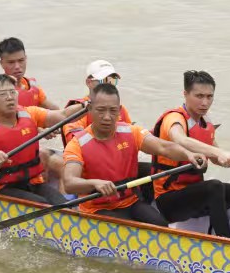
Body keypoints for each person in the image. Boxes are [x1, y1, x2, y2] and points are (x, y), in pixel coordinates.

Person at [60, 82, 199, 225]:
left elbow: (164, 147)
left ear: (119, 110)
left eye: (113, 110)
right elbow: (69, 183)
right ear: (89, 109)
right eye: (101, 110)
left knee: (160, 224)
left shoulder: (131, 132)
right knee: (130, 227)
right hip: (96, 209)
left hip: (130, 202)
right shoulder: (77, 144)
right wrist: (94, 183)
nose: (107, 117)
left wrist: (189, 155)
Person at [151, 71, 230, 238]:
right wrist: (220, 152)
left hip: (193, 193)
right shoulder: (175, 118)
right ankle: (225, 242)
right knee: (214, 186)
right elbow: (180, 139)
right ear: (185, 94)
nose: (205, 102)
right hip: (168, 200)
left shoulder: (205, 122)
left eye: (209, 96)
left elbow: (217, 158)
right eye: (199, 96)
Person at [0, 73, 70, 199]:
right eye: (2, 94)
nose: (9, 97)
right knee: (41, 204)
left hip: (32, 182)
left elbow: (64, 115)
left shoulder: (29, 114)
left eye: (12, 92)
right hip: (1, 188)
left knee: (62, 205)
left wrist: (86, 104)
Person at [0, 37, 53, 109]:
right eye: (11, 62)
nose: (17, 66)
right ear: (1, 63)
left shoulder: (31, 85)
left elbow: (57, 111)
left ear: (25, 59)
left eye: (21, 60)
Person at [66, 59, 130, 122]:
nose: (109, 84)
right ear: (89, 82)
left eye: (112, 80)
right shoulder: (77, 109)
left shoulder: (121, 109)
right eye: (104, 80)